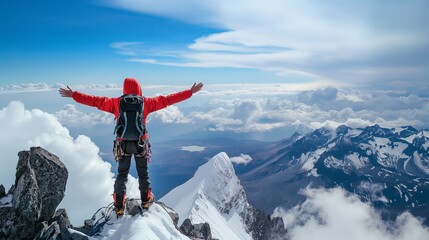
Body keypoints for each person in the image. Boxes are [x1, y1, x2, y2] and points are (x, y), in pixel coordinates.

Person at [59, 78, 203, 215]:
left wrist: (74, 95)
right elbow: (168, 100)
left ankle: (119, 206)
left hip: (123, 145)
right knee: (143, 173)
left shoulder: (115, 103)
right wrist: (190, 92)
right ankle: (146, 201)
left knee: (122, 174)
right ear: (139, 89)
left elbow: (95, 101)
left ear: (124, 89)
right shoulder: (146, 103)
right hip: (141, 143)